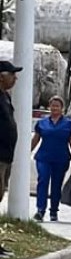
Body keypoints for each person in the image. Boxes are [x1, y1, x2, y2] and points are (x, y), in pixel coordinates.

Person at [31, 96, 71, 222]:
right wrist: (24, 154)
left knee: (56, 185)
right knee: (43, 181)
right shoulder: (42, 123)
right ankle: (40, 210)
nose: (55, 108)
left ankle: (54, 211)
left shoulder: (69, 124)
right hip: (43, 157)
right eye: (52, 105)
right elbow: (35, 140)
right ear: (49, 107)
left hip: (61, 159)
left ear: (62, 108)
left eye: (57, 106)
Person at [0, 61, 20, 205]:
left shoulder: (5, 96)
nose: (15, 78)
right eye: (12, 74)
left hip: (6, 156)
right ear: (1, 76)